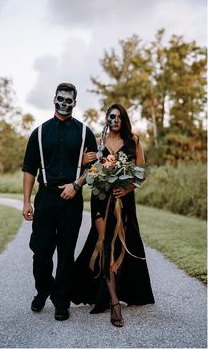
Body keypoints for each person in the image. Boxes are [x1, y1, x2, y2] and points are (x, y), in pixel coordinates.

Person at [71, 103, 155, 327]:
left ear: (124, 119)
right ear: (106, 119)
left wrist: (127, 188)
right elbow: (87, 168)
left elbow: (141, 173)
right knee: (105, 244)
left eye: (119, 116)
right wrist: (83, 162)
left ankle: (117, 291)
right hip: (100, 200)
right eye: (111, 116)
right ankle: (114, 302)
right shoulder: (98, 143)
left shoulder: (133, 141)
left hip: (124, 201)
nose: (115, 120)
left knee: (121, 246)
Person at [22, 83, 97, 321]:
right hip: (45, 197)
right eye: (61, 99)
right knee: (40, 250)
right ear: (54, 99)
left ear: (75, 103)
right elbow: (29, 170)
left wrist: (76, 185)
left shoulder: (85, 133)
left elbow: (94, 170)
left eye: (69, 100)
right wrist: (26, 202)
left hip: (71, 199)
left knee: (66, 253)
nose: (64, 103)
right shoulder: (39, 133)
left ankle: (61, 301)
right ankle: (44, 289)